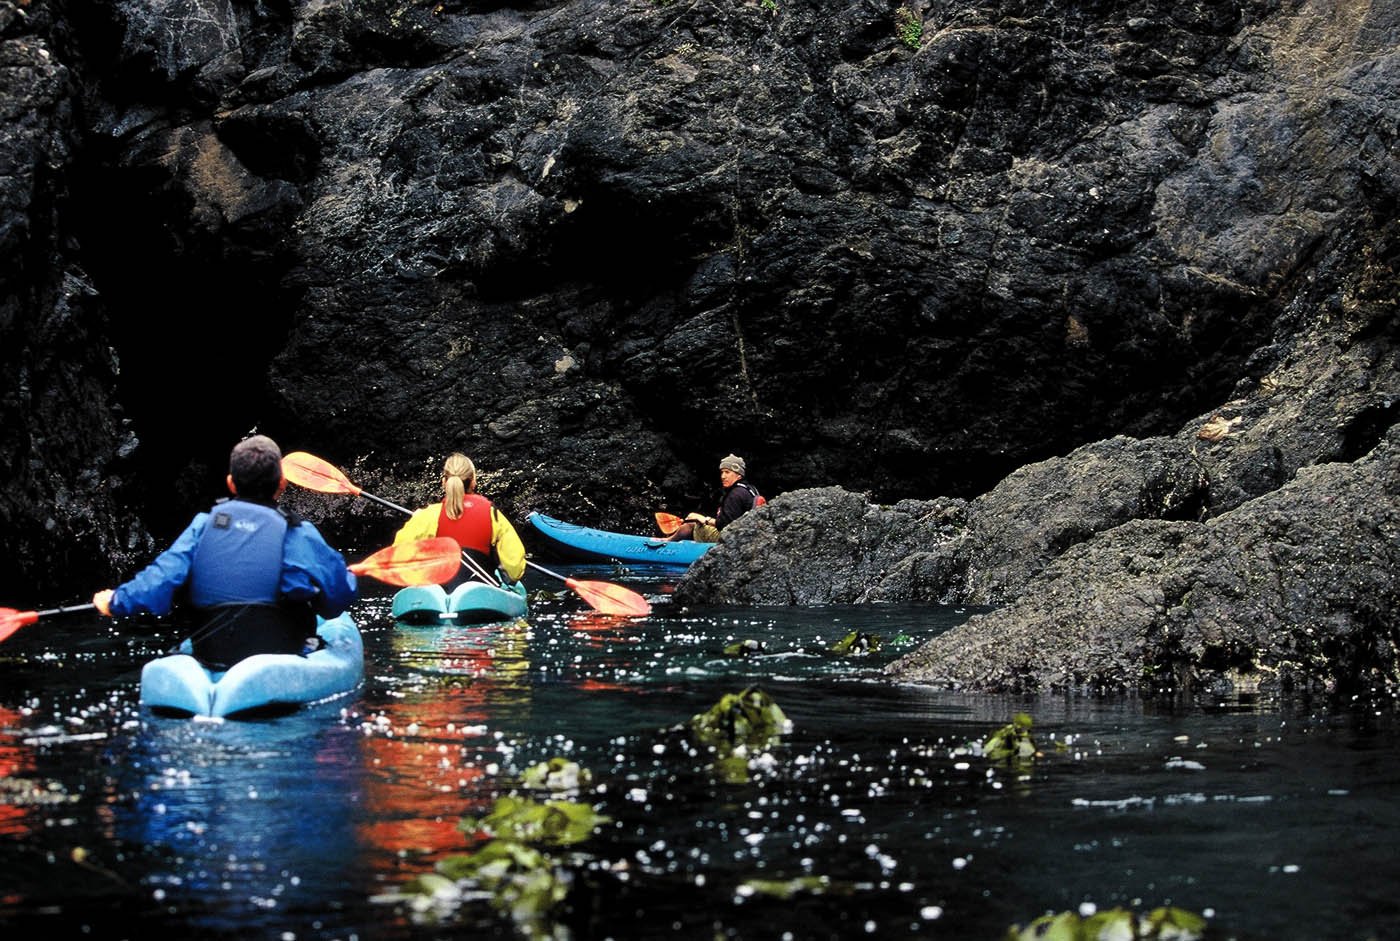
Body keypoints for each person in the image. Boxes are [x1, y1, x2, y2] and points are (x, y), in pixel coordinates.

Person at [92, 435, 358, 669]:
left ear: (231, 483)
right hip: (283, 650)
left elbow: (160, 578)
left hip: (213, 652)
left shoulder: (203, 526)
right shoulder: (298, 531)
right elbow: (337, 600)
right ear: (282, 484)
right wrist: (348, 577)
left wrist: (115, 601)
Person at [393, 452, 526, 588]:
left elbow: (399, 558)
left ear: (444, 482)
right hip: (481, 591)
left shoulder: (427, 515)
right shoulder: (494, 516)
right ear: (473, 482)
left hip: (437, 593)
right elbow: (514, 570)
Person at [660, 454, 763, 543]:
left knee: (690, 526)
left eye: (727, 472)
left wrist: (703, 519)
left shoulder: (735, 494)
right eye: (722, 472)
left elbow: (725, 525)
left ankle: (666, 543)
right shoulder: (749, 489)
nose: (723, 476)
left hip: (731, 539)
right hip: (745, 537)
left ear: (738, 475)